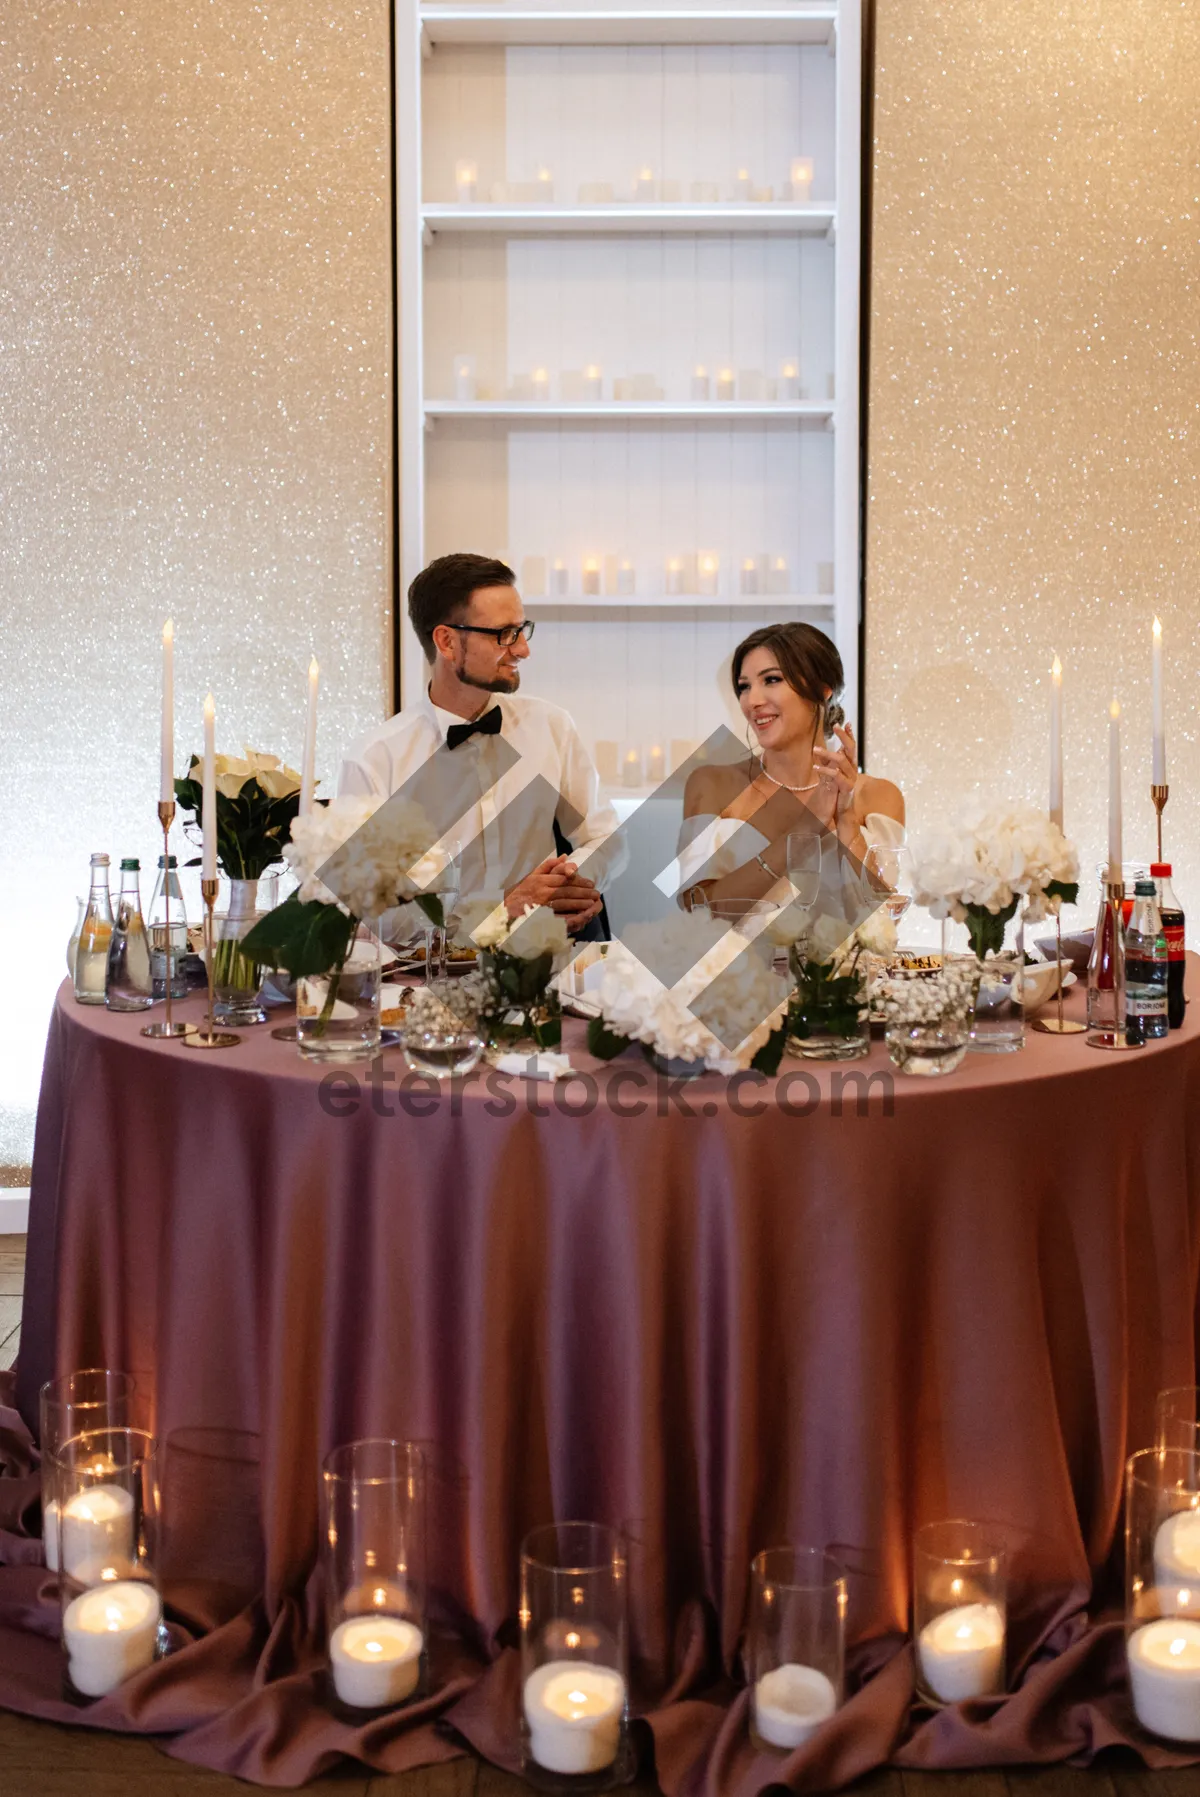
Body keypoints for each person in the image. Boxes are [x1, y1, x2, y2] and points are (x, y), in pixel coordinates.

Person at [338, 553, 616, 932]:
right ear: (447, 641)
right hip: (430, 981)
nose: (522, 649)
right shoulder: (375, 761)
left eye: (523, 629)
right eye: (504, 634)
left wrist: (569, 879)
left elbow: (605, 836)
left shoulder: (551, 727)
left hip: (553, 968)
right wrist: (501, 910)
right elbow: (370, 916)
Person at [676, 622, 904, 909]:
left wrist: (845, 817)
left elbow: (882, 916)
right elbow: (697, 910)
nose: (752, 701)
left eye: (771, 680)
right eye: (744, 686)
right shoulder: (712, 784)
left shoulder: (879, 796)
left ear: (823, 691)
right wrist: (807, 828)